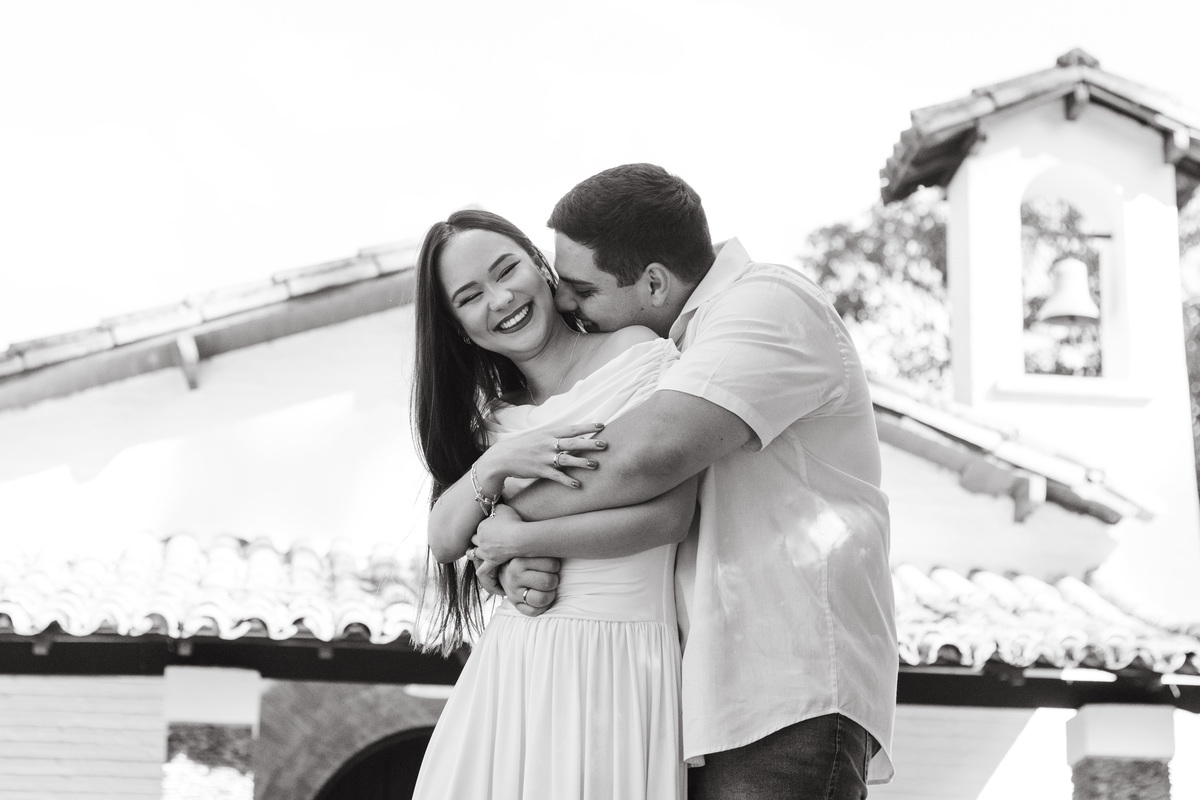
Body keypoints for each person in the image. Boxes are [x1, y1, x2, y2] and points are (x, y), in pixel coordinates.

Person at [475, 163, 898, 799]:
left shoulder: (767, 305)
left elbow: (644, 455)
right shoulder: (686, 341)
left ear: (653, 282)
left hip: (786, 696)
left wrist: (505, 518)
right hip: (710, 697)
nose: (565, 304)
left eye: (583, 289)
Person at [408, 208, 697, 799]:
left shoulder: (637, 354)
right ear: (459, 328)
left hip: (619, 662)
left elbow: (670, 517)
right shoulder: (495, 424)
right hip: (514, 666)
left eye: (506, 270)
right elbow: (444, 538)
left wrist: (518, 537)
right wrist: (496, 465)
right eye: (470, 296)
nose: (500, 299)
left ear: (542, 268)